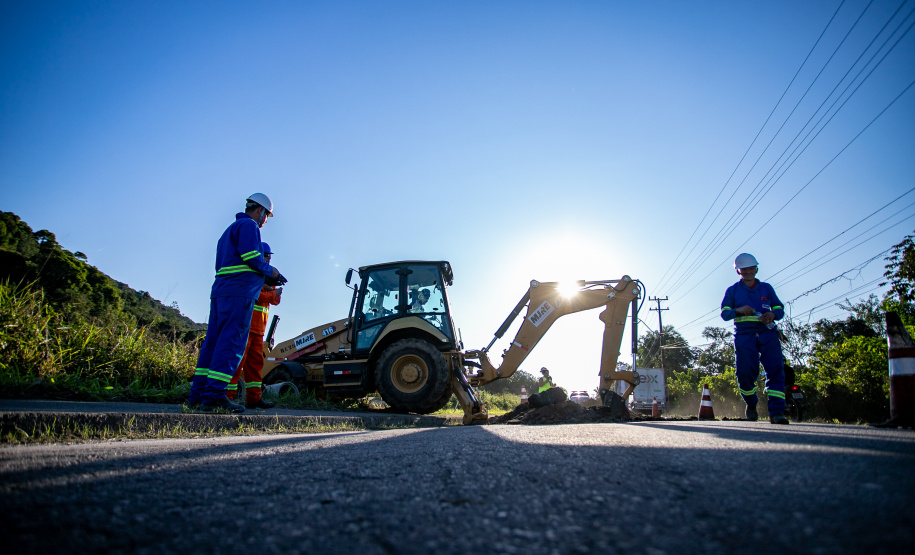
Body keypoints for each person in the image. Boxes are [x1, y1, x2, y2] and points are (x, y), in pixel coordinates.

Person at [188, 193, 286, 413]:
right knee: (230, 346)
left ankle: (197, 396)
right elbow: (251, 256)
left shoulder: (227, 233)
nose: (265, 221)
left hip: (221, 293)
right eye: (267, 216)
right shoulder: (250, 227)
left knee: (212, 345)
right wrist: (271, 272)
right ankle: (214, 397)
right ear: (260, 211)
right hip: (239, 294)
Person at [720, 253, 788, 424]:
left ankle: (777, 412)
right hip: (744, 334)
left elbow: (779, 308)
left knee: (775, 369)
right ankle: (751, 404)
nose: (749, 272)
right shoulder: (733, 291)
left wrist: (772, 314)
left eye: (752, 268)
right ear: (738, 271)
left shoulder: (767, 288)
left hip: (767, 333)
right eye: (745, 269)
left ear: (756, 269)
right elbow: (724, 313)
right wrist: (738, 310)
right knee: (745, 372)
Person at [226, 242, 283, 409]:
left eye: (270, 257)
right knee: (238, 363)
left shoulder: (267, 277)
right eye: (266, 256)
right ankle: (228, 396)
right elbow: (255, 295)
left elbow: (276, 300)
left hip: (259, 331)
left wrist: (272, 291)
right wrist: (271, 292)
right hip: (246, 327)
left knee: (255, 365)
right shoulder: (251, 273)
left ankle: (254, 398)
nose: (269, 260)